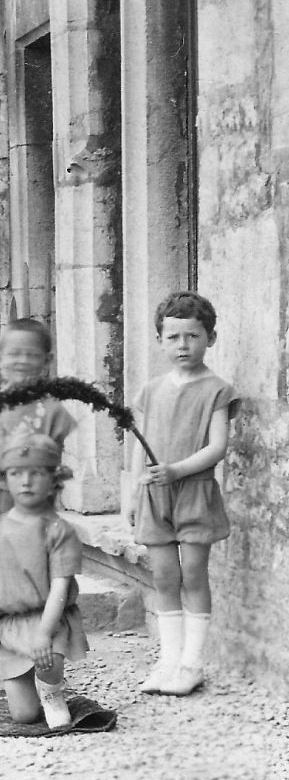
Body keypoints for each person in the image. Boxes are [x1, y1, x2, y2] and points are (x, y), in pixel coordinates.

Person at [130, 291, 238, 697]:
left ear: (210, 338)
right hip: (155, 497)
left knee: (193, 574)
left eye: (192, 336)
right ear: (160, 340)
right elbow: (137, 445)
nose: (182, 345)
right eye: (173, 337)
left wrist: (175, 470)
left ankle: (192, 664)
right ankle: (168, 660)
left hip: (193, 492)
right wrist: (132, 492)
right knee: (163, 575)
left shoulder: (216, 390)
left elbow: (216, 448)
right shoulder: (151, 389)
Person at [0, 317, 74, 672]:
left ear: (46, 361)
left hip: (32, 504)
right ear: (0, 358)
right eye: (13, 353)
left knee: (32, 568)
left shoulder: (51, 411)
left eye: (30, 355)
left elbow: (53, 456)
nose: (21, 361)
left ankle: (44, 635)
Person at [0, 434, 87, 729]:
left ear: (53, 480)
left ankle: (52, 692)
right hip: (8, 623)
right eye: (16, 474)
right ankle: (31, 686)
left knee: (48, 661)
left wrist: (45, 633)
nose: (26, 481)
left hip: (48, 619)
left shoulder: (58, 530)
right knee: (24, 716)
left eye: (36, 473)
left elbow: (60, 585)